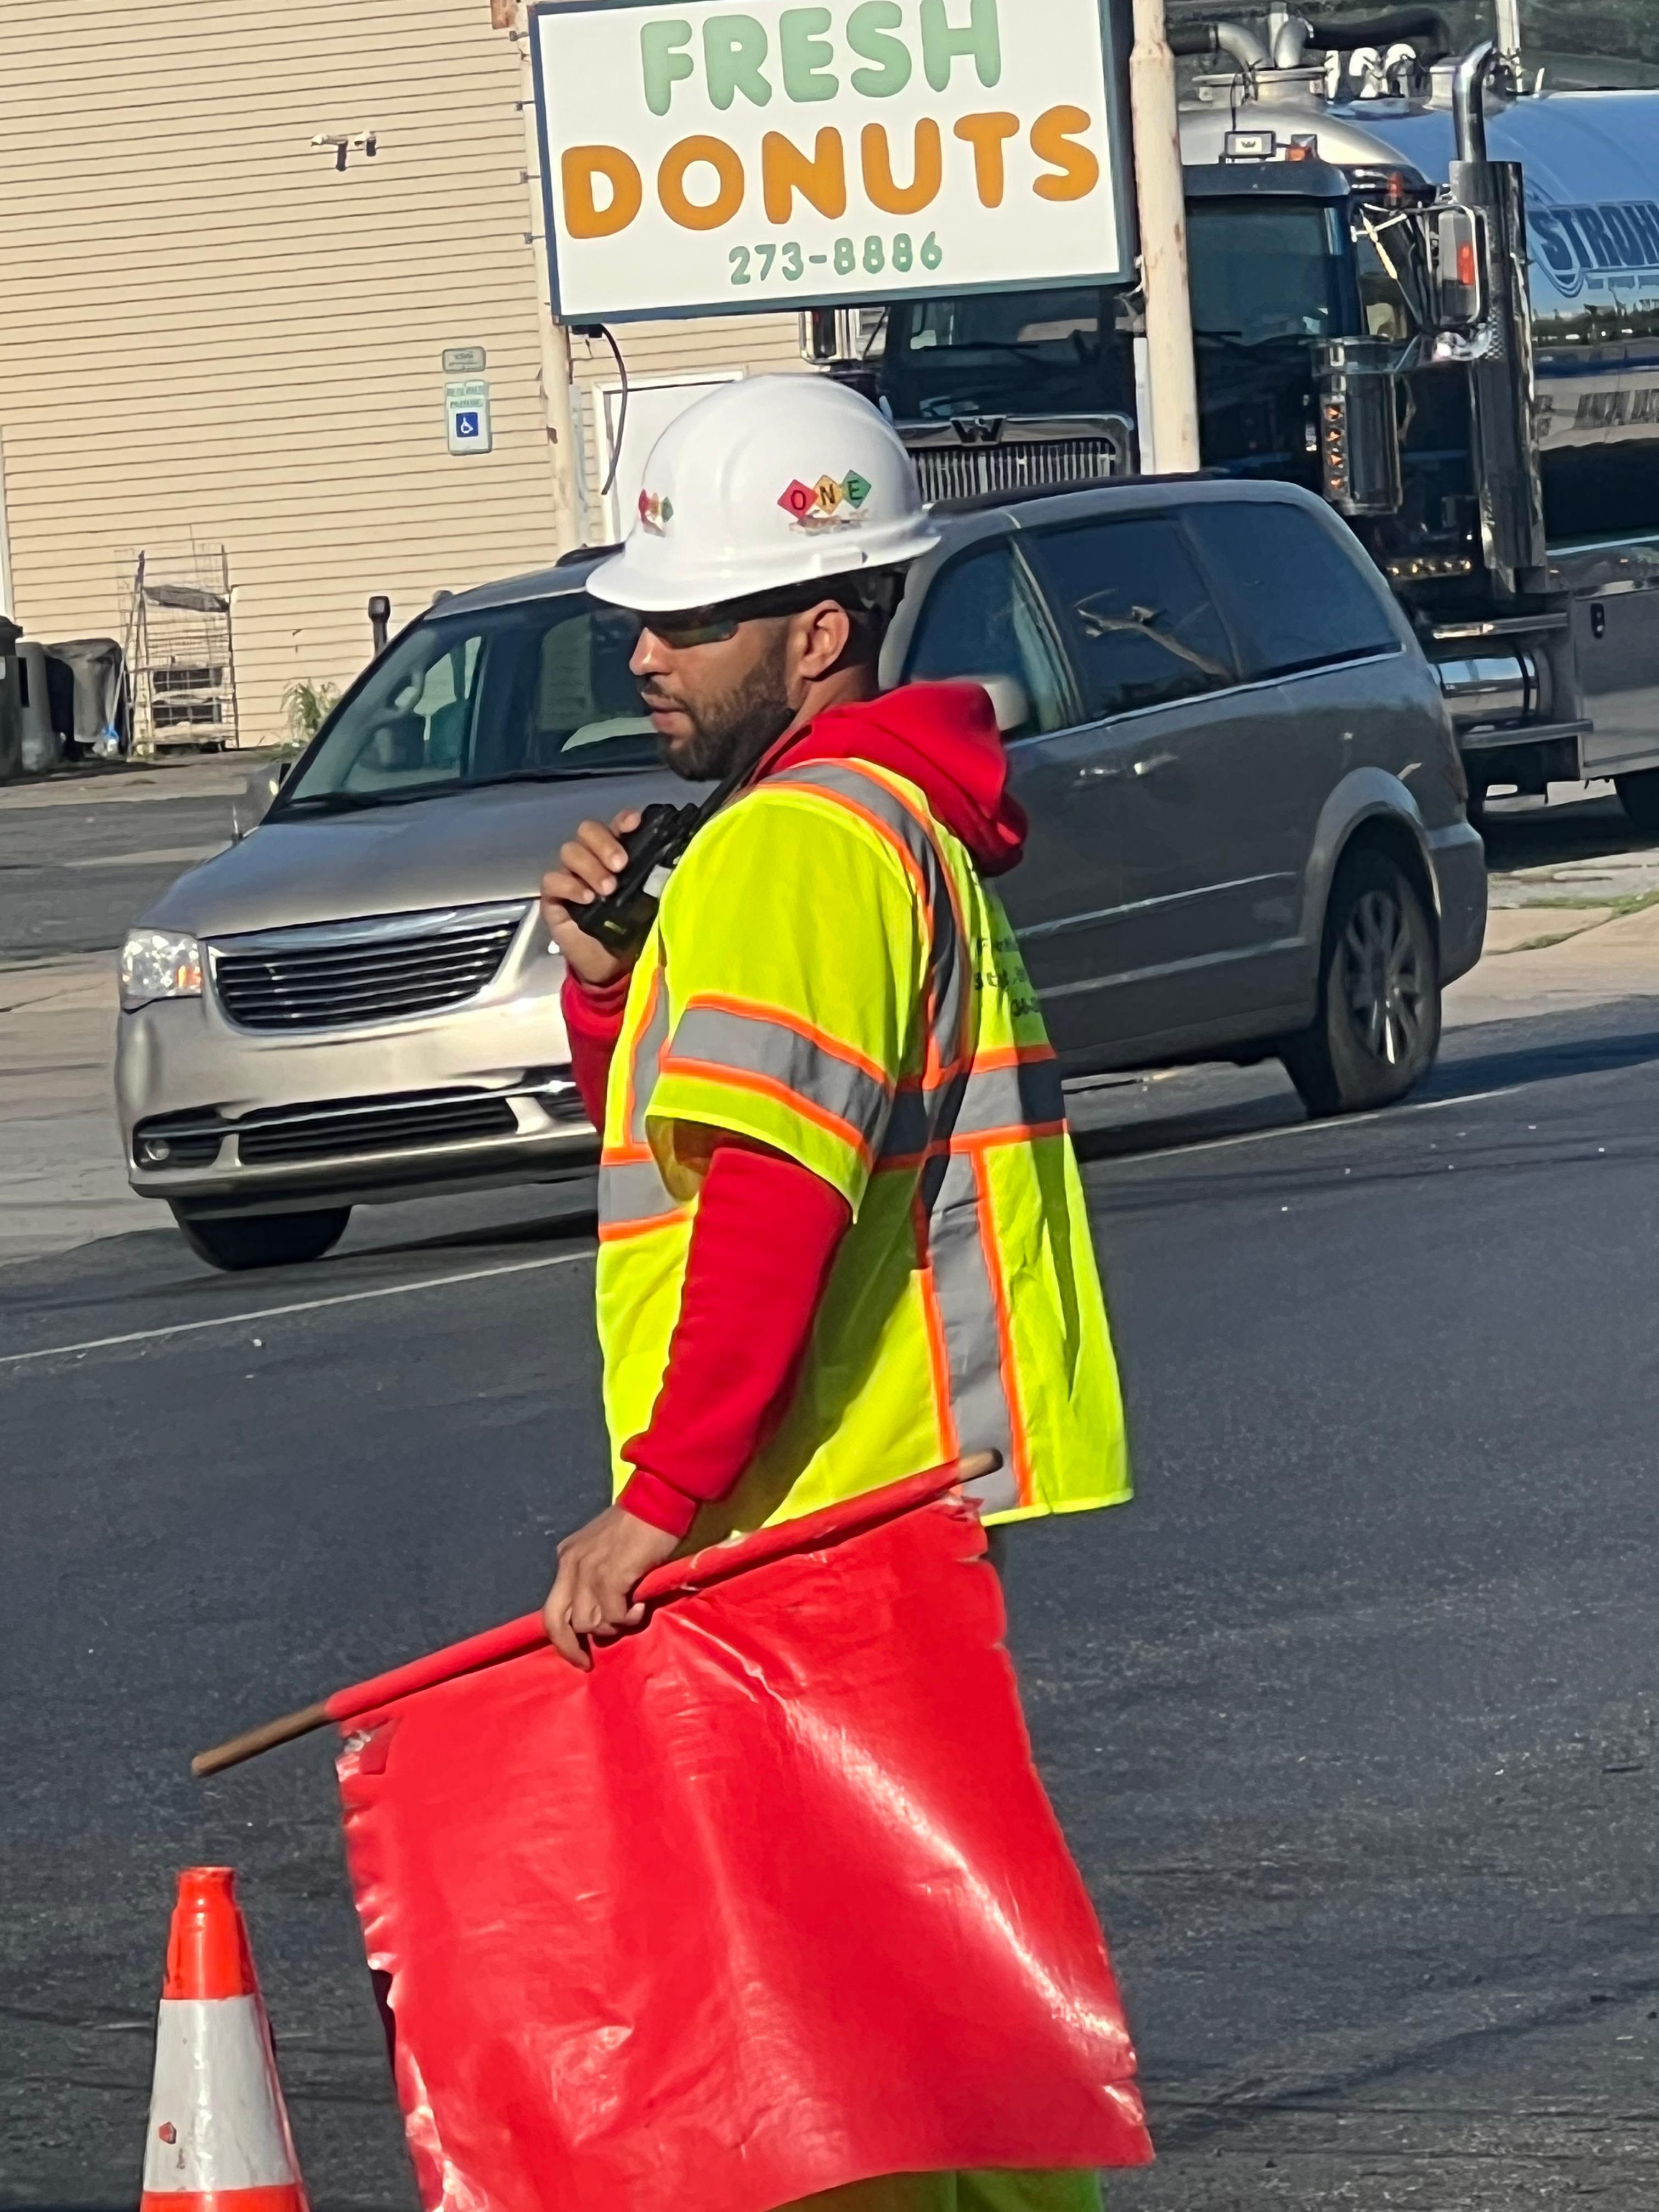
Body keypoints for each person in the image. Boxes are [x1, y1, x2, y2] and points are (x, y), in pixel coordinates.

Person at [539, 374, 1133, 2212]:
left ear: (816, 632)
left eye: (693, 616)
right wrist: (601, 991)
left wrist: (660, 1504)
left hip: (811, 1519)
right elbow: (729, 1146)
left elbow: (776, 1202)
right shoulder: (888, 825)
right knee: (929, 2000)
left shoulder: (798, 846)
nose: (647, 649)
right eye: (644, 611)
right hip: (897, 1505)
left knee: (825, 2045)